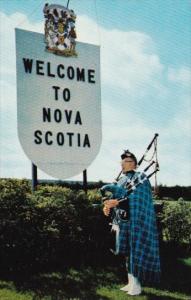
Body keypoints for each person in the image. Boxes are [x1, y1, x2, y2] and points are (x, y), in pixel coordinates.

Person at [103, 150, 161, 296]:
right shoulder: (121, 180)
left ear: (135, 164)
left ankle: (137, 284)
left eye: (128, 161)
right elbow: (114, 196)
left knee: (135, 251)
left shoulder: (141, 177)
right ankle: (130, 282)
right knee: (127, 252)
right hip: (123, 221)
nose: (124, 164)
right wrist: (107, 205)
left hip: (137, 221)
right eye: (122, 162)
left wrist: (118, 201)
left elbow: (139, 198)